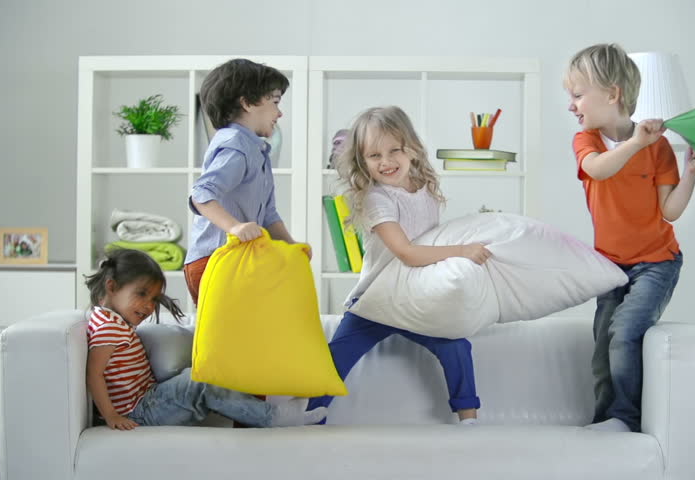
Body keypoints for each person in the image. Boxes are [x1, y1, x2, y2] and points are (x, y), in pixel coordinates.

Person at [307, 106, 491, 425]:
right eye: (374, 155)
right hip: (376, 300)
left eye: (395, 150)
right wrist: (462, 250)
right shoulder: (379, 199)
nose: (386, 162)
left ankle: (469, 420)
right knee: (334, 359)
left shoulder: (425, 189)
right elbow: (406, 251)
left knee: (456, 346)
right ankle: (310, 418)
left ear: (412, 148)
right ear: (362, 162)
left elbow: (431, 244)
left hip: (417, 298)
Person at [564, 43, 695, 432]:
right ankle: (606, 419)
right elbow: (599, 169)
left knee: (624, 333)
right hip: (610, 265)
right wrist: (636, 143)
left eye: (577, 95)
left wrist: (690, 172)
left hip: (657, 262)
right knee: (602, 343)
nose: (571, 105)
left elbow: (670, 211)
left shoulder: (657, 148)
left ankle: (626, 420)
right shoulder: (586, 141)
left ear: (612, 94)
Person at [85, 248, 327, 430]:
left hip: (149, 400)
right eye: (142, 294)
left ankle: (268, 415)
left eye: (154, 299)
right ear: (112, 286)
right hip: (140, 412)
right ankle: (273, 418)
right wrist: (111, 416)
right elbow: (94, 374)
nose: (149, 306)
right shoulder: (108, 327)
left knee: (199, 375)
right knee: (201, 382)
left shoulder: (112, 321)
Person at [184, 58, 309, 305]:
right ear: (248, 103)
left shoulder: (256, 150)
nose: (279, 113)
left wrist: (292, 246)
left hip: (237, 258)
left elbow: (269, 216)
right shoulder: (235, 144)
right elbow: (201, 194)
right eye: (275, 102)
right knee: (232, 335)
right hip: (214, 259)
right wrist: (235, 227)